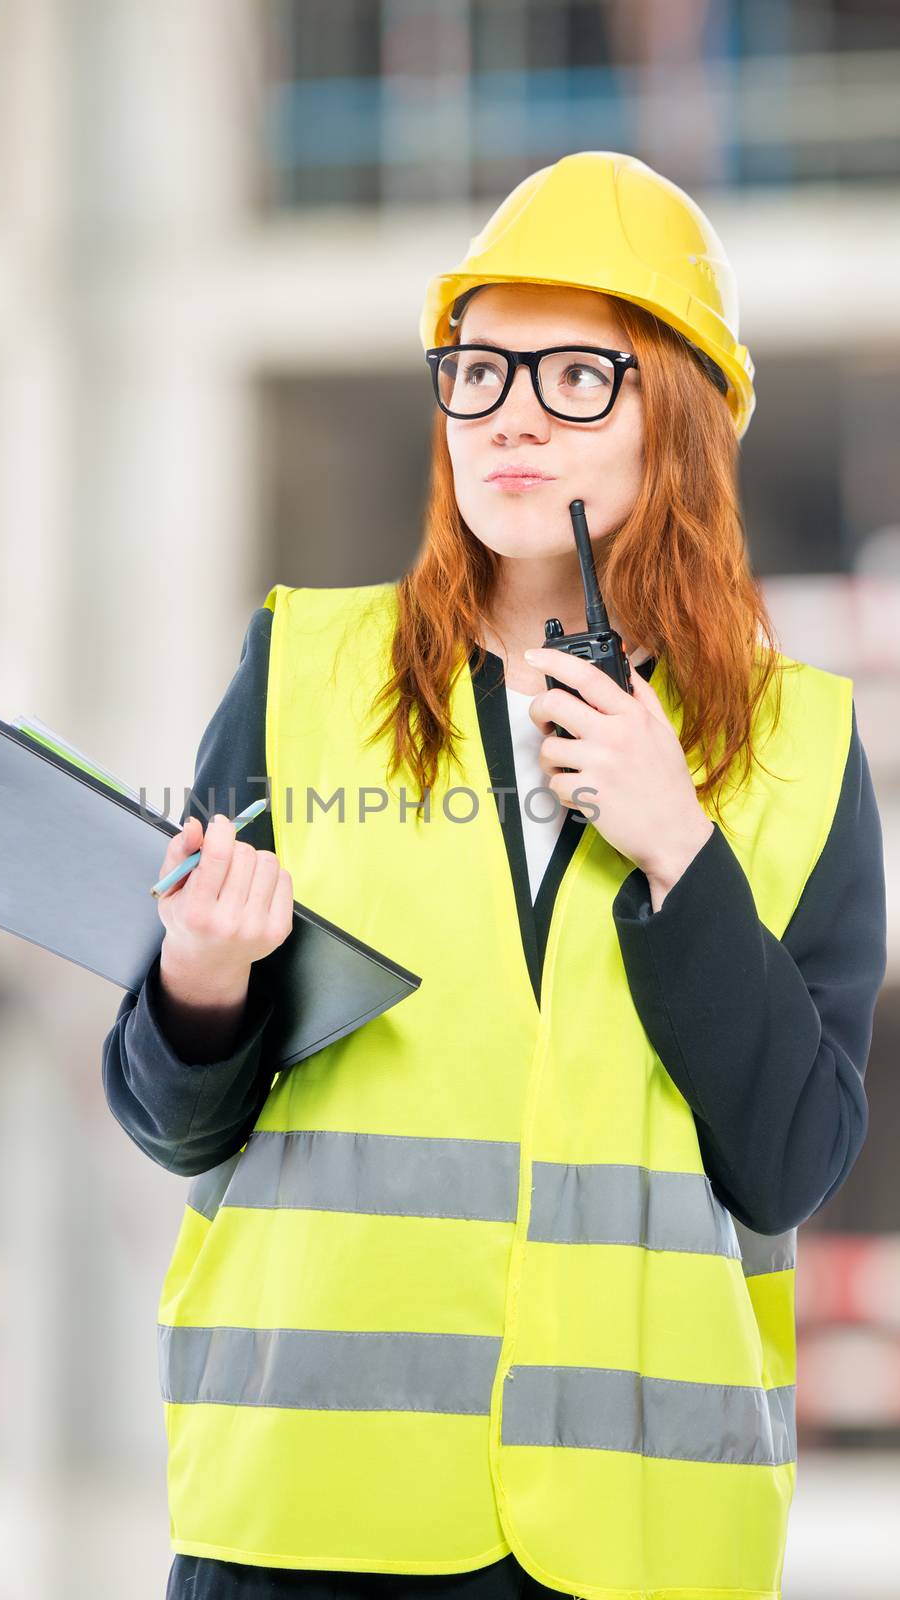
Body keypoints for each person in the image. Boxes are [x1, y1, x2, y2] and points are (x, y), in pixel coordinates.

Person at [102, 152, 888, 1600]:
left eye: (579, 376)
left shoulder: (803, 751)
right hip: (307, 1526)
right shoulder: (305, 678)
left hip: (636, 1550)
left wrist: (679, 845)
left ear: (686, 416)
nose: (511, 415)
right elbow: (176, 1121)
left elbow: (791, 1161)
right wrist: (197, 989)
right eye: (477, 371)